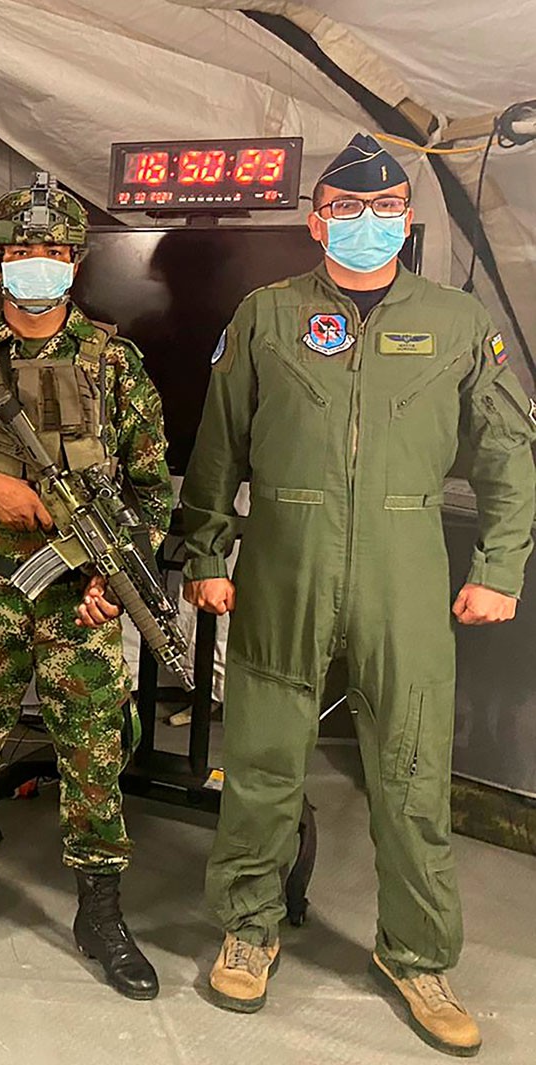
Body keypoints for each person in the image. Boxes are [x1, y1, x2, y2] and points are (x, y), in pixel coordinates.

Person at [183, 133, 536, 1056]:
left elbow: (508, 450)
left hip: (404, 564)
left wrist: (500, 567)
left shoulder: (458, 321)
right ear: (316, 222)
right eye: (345, 208)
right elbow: (217, 446)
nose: (365, 222)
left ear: (407, 220)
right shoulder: (266, 315)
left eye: (383, 209)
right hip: (283, 561)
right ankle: (248, 929)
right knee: (262, 762)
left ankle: (419, 955)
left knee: (413, 776)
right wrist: (205, 551)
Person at [0, 175, 171, 999]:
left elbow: (151, 490)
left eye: (52, 251)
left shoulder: (115, 364)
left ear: (75, 263)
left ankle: (101, 913)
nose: (36, 264)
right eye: (21, 251)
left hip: (80, 597)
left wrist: (115, 579)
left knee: (92, 751)